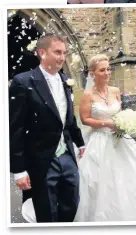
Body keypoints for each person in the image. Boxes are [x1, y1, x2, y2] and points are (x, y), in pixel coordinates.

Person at [9, 33, 85, 223]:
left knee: (72, 202)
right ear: (42, 53)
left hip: (67, 155)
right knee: (46, 211)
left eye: (64, 53)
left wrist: (79, 142)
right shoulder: (23, 81)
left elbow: (67, 117)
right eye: (57, 52)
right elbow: (15, 128)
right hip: (41, 158)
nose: (62, 57)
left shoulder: (66, 80)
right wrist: (19, 170)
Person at [74, 54, 136, 222]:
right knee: (99, 181)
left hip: (119, 138)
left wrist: (123, 122)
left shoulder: (115, 91)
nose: (107, 73)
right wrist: (107, 124)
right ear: (92, 73)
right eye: (102, 70)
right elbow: (85, 119)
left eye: (108, 69)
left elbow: (118, 113)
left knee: (130, 175)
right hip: (99, 140)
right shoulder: (87, 95)